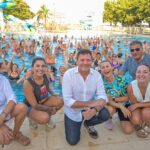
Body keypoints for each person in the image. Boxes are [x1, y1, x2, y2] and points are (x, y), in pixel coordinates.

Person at [62, 50, 109, 145]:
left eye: (88, 60)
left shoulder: (97, 75)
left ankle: (88, 123)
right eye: (82, 60)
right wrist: (91, 103)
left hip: (90, 109)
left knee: (105, 114)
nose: (85, 63)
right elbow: (67, 101)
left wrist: (94, 110)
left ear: (92, 61)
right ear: (77, 61)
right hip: (73, 112)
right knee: (72, 141)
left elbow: (103, 96)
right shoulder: (68, 75)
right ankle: (73, 122)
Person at [23, 57, 63, 129]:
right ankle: (31, 117)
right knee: (44, 118)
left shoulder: (45, 76)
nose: (41, 69)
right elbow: (35, 105)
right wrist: (50, 109)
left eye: (43, 66)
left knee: (60, 101)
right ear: (32, 68)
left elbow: (47, 87)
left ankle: (48, 118)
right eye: (37, 66)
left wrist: (52, 93)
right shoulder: (28, 83)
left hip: (43, 101)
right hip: (31, 106)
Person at [100, 60, 133, 133]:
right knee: (108, 109)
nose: (105, 69)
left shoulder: (122, 79)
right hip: (113, 106)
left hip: (125, 104)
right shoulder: (101, 84)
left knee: (128, 130)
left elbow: (128, 97)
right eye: (103, 67)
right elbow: (108, 101)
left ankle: (122, 115)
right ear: (101, 70)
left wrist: (114, 99)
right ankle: (109, 118)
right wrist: (121, 106)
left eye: (107, 66)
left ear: (112, 68)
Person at [0, 73, 30, 146]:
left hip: (3, 112)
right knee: (6, 140)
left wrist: (3, 115)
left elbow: (12, 98)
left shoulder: (2, 79)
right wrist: (1, 126)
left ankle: (16, 133)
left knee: (22, 107)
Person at [127, 65, 150, 138]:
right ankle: (141, 123)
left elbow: (136, 105)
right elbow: (134, 103)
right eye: (138, 72)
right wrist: (137, 106)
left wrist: (138, 105)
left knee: (146, 113)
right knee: (136, 120)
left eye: (145, 72)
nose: (141, 74)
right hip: (138, 106)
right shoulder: (131, 86)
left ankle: (147, 125)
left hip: (146, 108)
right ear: (135, 74)